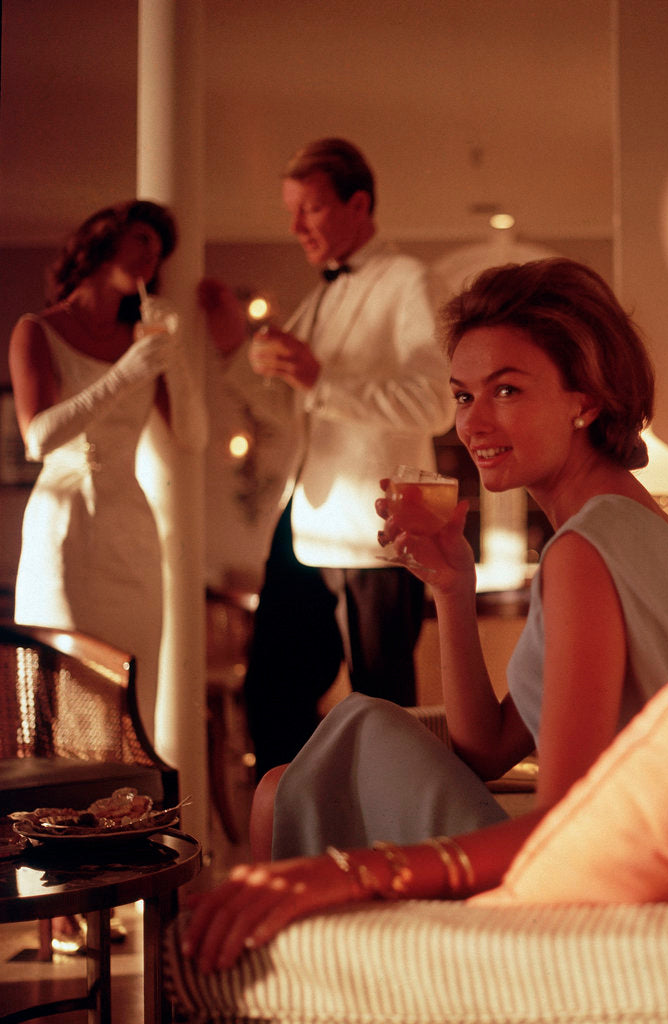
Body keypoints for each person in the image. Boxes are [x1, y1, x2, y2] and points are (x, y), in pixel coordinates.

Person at [182, 257, 668, 973]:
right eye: (462, 395)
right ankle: (299, 965)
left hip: (603, 896)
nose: (473, 422)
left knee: (339, 744)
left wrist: (348, 873)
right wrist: (451, 589)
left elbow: (560, 829)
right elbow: (488, 748)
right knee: (290, 782)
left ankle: (291, 970)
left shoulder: (583, 551)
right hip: (633, 864)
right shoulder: (665, 539)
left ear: (586, 398)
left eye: (506, 390)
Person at [199, 137, 453, 778]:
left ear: (357, 202)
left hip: (377, 528)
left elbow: (436, 404)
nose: (295, 227)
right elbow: (292, 413)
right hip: (305, 521)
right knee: (271, 694)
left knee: (384, 707)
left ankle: (388, 852)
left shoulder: (409, 282)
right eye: (292, 211)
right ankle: (301, 833)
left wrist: (320, 379)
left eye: (308, 209)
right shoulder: (317, 301)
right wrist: (236, 349)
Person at [8, 198, 204, 957]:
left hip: (129, 530)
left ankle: (121, 881)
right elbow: (39, 436)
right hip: (63, 529)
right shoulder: (39, 330)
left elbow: (189, 433)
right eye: (143, 238)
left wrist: (170, 357)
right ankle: (56, 900)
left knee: (130, 714)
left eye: (161, 246)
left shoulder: (144, 335)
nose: (151, 256)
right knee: (60, 713)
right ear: (102, 240)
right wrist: (127, 370)